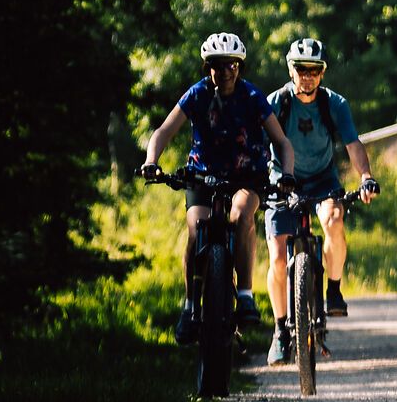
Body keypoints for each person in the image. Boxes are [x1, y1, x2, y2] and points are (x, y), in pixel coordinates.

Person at [143, 30, 295, 338]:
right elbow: (164, 131)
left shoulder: (252, 96)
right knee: (196, 227)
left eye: (231, 65)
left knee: (241, 214)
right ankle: (190, 305)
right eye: (217, 65)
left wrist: (287, 174)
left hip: (246, 175)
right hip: (202, 174)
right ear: (207, 67)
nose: (225, 71)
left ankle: (246, 295)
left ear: (239, 67)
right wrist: (151, 161)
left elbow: (282, 141)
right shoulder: (197, 94)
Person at [262, 36, 378, 365]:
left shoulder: (334, 104)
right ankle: (280, 331)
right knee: (278, 259)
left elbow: (353, 144)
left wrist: (365, 176)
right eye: (301, 69)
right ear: (291, 70)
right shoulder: (276, 103)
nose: (307, 76)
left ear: (322, 73)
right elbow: (258, 143)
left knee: (334, 220)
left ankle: (334, 290)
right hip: (282, 180)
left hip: (322, 179)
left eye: (314, 70)